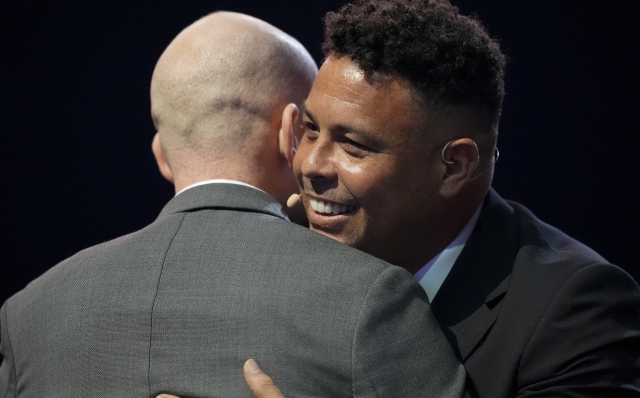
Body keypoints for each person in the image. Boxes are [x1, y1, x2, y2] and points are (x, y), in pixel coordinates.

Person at [0, 11, 466, 398]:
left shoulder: (29, 315)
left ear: (162, 154)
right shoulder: (372, 297)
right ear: (289, 134)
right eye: (309, 128)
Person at [223, 0, 640, 397]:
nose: (311, 165)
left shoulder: (575, 311)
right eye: (311, 130)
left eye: (353, 145)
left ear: (454, 166)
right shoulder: (274, 246)